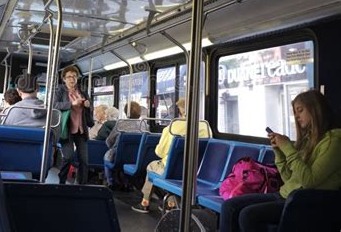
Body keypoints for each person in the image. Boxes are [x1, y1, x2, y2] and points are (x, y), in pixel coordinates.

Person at [219, 89, 341, 232]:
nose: (296, 116)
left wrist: (288, 148)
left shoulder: (334, 141)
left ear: (315, 110)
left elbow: (309, 181)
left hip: (308, 202)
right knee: (229, 206)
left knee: (248, 215)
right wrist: (279, 152)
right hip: (287, 195)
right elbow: (289, 178)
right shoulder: (309, 141)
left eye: (300, 111)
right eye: (295, 112)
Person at [132, 98, 210, 213]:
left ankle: (145, 202)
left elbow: (160, 152)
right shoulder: (205, 127)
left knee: (151, 166)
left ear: (182, 111)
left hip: (172, 170)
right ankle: (170, 203)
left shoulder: (171, 128)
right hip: (197, 170)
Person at [54, 65, 94, 185]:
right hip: (67, 128)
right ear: (64, 79)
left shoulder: (82, 90)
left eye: (74, 76)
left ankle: (81, 185)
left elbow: (90, 107)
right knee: (68, 157)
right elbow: (54, 105)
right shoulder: (59, 90)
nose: (72, 79)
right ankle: (62, 180)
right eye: (69, 76)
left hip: (81, 129)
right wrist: (71, 104)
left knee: (84, 160)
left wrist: (88, 104)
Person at [104, 101, 142, 190]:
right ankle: (128, 183)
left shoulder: (121, 124)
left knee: (107, 156)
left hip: (119, 156)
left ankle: (111, 182)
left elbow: (109, 141)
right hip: (138, 157)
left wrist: (112, 148)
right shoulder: (144, 125)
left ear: (126, 112)